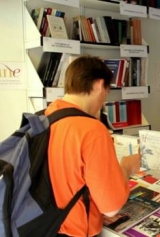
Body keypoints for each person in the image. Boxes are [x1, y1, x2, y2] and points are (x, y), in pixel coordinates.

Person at [45, 55, 141, 237]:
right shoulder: (91, 130)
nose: (104, 101)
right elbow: (111, 207)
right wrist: (126, 168)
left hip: (46, 224)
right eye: (106, 92)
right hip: (76, 230)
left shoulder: (46, 116)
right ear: (99, 85)